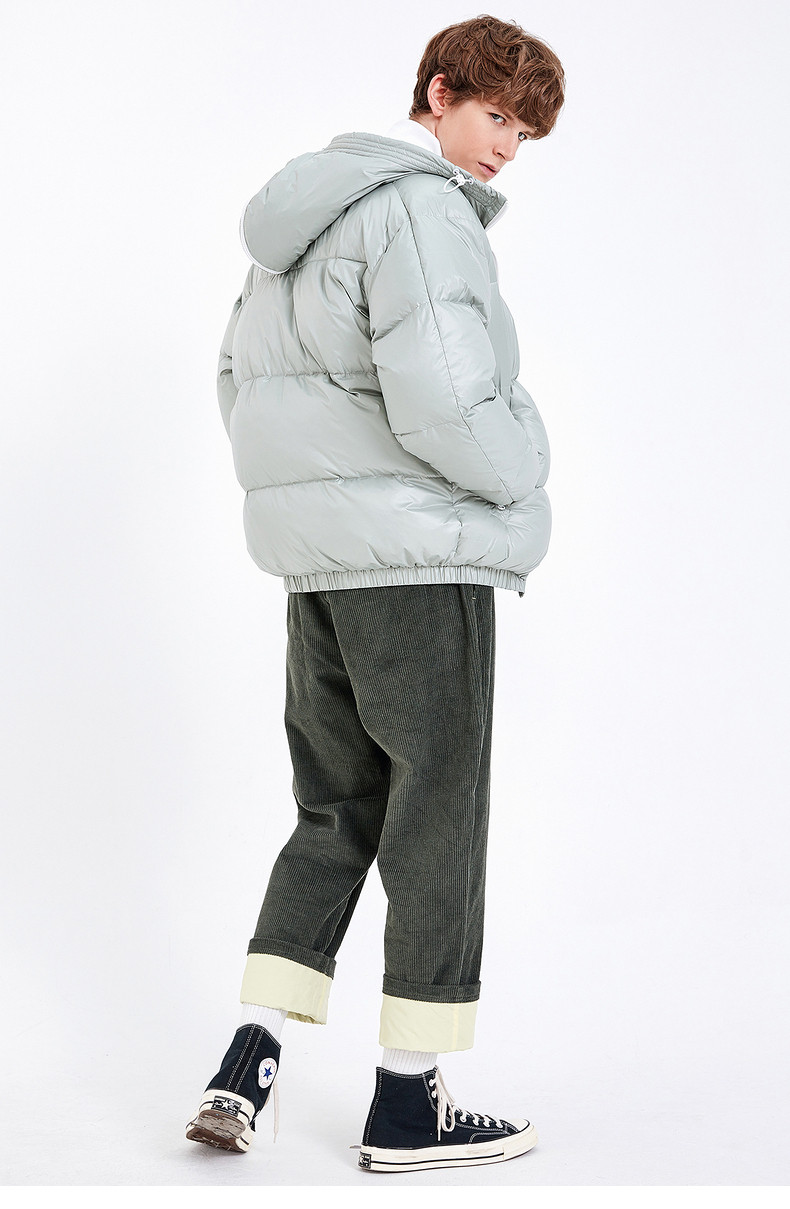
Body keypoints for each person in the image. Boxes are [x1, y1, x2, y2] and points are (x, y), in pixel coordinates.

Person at [186, 13, 565, 1173]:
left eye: (523, 132)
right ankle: (409, 1100)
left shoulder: (298, 222)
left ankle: (246, 1059)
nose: (503, 147)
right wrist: (525, 472)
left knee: (334, 809)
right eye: (494, 115)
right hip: (417, 564)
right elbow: (446, 397)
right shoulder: (423, 209)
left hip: (320, 570)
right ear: (438, 92)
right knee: (437, 813)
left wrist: (319, 497)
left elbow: (236, 379)